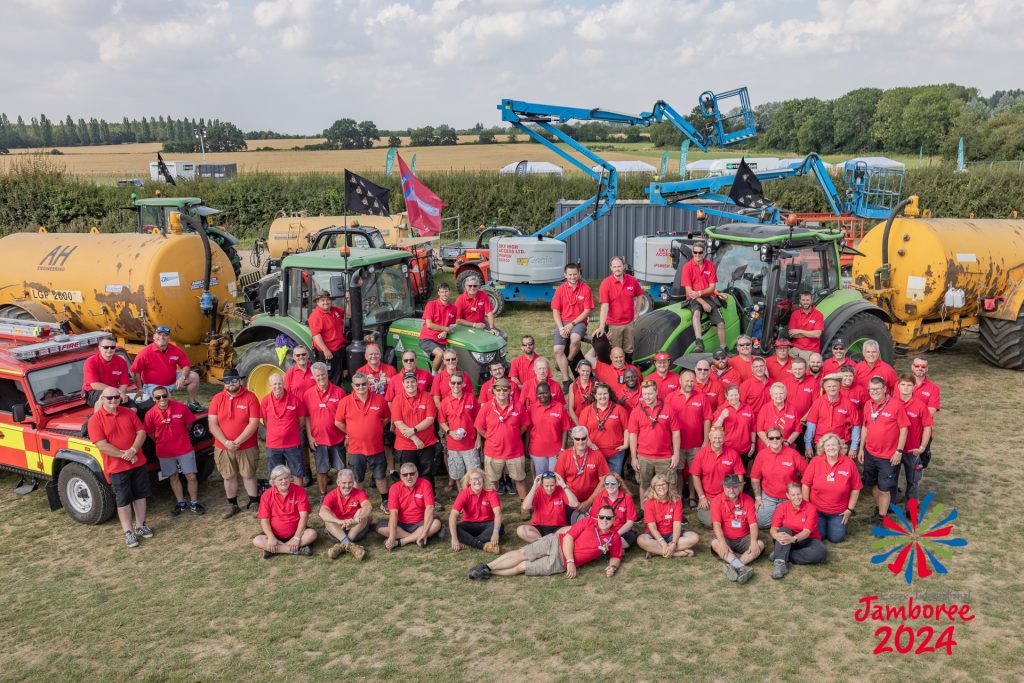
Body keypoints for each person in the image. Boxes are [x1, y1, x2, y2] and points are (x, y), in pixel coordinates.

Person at [469, 506, 622, 580]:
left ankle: (488, 572)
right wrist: (571, 561)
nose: (604, 521)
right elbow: (568, 538)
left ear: (614, 519)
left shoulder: (614, 537)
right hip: (555, 542)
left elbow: (616, 555)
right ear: (598, 516)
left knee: (521, 567)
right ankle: (487, 566)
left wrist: (612, 567)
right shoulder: (588, 522)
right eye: (602, 517)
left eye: (608, 518)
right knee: (522, 553)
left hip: (559, 562)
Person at [89, 388, 151, 547]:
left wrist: (133, 450)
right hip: (117, 468)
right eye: (109, 398)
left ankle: (141, 525)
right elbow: (102, 445)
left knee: (140, 495)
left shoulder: (129, 413)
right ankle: (128, 532)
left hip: (138, 462)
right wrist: (125, 455)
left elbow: (141, 432)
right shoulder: (95, 420)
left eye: (116, 397)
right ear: (102, 399)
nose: (113, 400)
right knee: (123, 500)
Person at [208, 368, 261, 519]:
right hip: (223, 447)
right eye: (227, 381)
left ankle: (254, 502)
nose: (230, 384)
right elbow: (212, 424)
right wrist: (226, 442)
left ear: (239, 380)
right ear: (223, 383)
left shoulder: (250, 397)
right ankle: (232, 504)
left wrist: (237, 441)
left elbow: (254, 423)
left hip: (246, 446)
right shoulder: (217, 399)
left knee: (249, 474)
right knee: (228, 476)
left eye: (233, 380)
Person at [143, 387, 205, 516]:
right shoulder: (150, 414)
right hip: (165, 451)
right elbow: (149, 432)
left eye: (164, 396)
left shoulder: (180, 407)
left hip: (184, 448)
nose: (162, 399)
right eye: (158, 397)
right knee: (173, 477)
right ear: (153, 399)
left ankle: (194, 503)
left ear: (168, 395)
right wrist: (161, 441)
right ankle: (181, 503)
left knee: (191, 476)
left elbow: (189, 424)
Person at [335, 372, 391, 508]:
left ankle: (385, 500)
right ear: (353, 386)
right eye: (357, 385)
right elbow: (338, 422)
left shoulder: (379, 400)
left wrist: (374, 428)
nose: (361, 387)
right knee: (357, 478)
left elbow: (386, 419)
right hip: (356, 448)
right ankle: (356, 503)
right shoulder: (345, 402)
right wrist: (351, 432)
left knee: (380, 476)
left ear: (369, 384)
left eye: (364, 384)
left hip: (376, 447)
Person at [858, 376, 909, 524]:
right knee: (873, 484)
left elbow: (904, 429)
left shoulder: (896, 405)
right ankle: (880, 509)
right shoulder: (868, 404)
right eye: (871, 389)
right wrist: (861, 449)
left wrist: (899, 451)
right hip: (870, 453)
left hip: (888, 456)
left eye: (877, 389)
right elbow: (865, 427)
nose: (874, 392)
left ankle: (882, 518)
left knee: (884, 488)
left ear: (885, 389)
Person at [474, 378, 531, 500]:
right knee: (492, 482)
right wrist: (490, 436)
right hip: (493, 453)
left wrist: (514, 435)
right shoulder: (487, 407)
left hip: (515, 452)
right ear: (493, 391)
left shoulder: (518, 406)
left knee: (520, 480)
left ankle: (524, 506)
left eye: (505, 389)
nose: (502, 392)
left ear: (510, 390)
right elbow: (479, 427)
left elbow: (525, 425)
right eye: (498, 389)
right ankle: (491, 507)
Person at [802, 432, 862, 542]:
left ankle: (835, 524)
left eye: (834, 445)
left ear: (839, 446)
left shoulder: (849, 463)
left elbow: (856, 488)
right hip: (817, 510)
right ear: (823, 448)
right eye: (828, 445)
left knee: (837, 538)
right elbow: (806, 485)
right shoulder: (815, 461)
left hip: (838, 512)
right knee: (819, 537)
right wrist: (807, 508)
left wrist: (849, 509)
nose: (831, 448)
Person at [628, 380, 680, 499]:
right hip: (644, 457)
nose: (647, 397)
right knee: (644, 484)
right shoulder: (636, 411)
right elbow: (633, 435)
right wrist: (634, 457)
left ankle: (671, 511)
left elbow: (676, 433)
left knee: (669, 484)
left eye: (650, 393)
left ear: (656, 392)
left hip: (665, 456)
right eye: (645, 394)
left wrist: (676, 454)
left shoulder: (668, 409)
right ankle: (645, 510)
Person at [302, 363, 347, 499]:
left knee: (341, 470)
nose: (321, 378)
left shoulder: (339, 392)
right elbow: (307, 417)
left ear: (327, 374)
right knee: (321, 470)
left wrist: (347, 435)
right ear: (313, 377)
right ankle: (323, 494)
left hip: (337, 439)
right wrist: (310, 437)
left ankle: (342, 494)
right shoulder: (308, 394)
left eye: (323, 375)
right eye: (318, 376)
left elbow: (346, 416)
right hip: (319, 440)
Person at [666, 369, 712, 502]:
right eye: (687, 380)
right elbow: (666, 421)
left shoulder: (701, 397)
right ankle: (679, 496)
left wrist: (705, 441)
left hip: (696, 444)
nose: (689, 383)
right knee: (678, 471)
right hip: (677, 445)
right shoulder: (671, 398)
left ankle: (692, 496)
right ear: (680, 381)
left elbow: (707, 419)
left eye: (692, 381)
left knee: (694, 472)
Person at [130, 324, 201, 410]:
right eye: (159, 334)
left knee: (194, 376)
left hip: (172, 381)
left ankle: (191, 402)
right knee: (170, 403)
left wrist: (183, 377)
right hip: (153, 385)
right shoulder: (145, 353)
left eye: (165, 335)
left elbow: (186, 365)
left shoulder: (175, 350)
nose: (162, 337)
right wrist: (139, 389)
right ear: (154, 337)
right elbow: (135, 371)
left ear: (169, 338)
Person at [253, 465, 316, 558]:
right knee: (257, 540)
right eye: (280, 479)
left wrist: (297, 537)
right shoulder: (266, 495)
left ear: (290, 478)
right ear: (273, 482)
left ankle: (274, 549)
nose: (284, 481)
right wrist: (271, 537)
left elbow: (304, 516)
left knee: (312, 534)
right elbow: (264, 521)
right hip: (275, 535)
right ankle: (295, 550)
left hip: (297, 532)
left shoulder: (300, 491)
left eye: (286, 478)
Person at [710, 474, 763, 584]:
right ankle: (742, 567)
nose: (731, 490)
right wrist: (722, 542)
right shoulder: (716, 501)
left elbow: (753, 525)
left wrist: (753, 542)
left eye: (734, 487)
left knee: (760, 544)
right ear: (724, 487)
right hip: (726, 538)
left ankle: (735, 565)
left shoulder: (748, 500)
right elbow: (717, 525)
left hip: (744, 538)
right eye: (728, 487)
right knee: (715, 543)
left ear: (740, 487)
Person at [391, 370, 439, 491]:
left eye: (413, 381)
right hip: (406, 445)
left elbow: (430, 419)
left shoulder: (427, 397)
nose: (410, 385)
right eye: (407, 382)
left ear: (417, 382)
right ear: (403, 383)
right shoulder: (397, 399)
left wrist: (414, 429)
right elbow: (398, 422)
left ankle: (429, 499)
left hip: (426, 443)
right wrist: (415, 438)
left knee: (427, 473)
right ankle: (410, 500)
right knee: (409, 474)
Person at [376, 463, 442, 549]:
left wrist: (425, 531)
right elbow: (393, 513)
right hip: (401, 524)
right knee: (380, 527)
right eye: (405, 475)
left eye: (412, 473)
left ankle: (401, 542)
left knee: (436, 524)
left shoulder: (425, 484)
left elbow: (430, 508)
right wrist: (392, 537)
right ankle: (417, 538)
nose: (408, 477)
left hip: (420, 522)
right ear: (400, 476)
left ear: (417, 473)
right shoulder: (394, 488)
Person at [750, 427, 806, 529]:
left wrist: (801, 494)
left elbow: (807, 475)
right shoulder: (762, 455)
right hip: (769, 497)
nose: (774, 440)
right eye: (771, 438)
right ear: (767, 440)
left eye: (777, 437)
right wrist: (758, 498)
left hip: (789, 498)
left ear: (782, 438)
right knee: (760, 523)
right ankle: (782, 519)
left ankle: (782, 519)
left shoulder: (793, 454)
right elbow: (755, 478)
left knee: (796, 525)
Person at [769, 481, 827, 579]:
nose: (797, 497)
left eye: (798, 494)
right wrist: (775, 535)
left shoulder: (810, 508)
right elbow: (774, 528)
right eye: (793, 495)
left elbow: (807, 532)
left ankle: (780, 554)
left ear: (802, 493)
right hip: (787, 538)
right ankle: (780, 564)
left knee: (821, 552)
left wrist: (793, 539)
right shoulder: (782, 507)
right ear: (787, 495)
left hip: (806, 539)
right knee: (783, 530)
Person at [690, 425, 745, 527]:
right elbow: (695, 475)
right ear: (710, 438)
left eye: (720, 438)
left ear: (724, 438)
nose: (717, 440)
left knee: (738, 520)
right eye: (714, 438)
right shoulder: (701, 454)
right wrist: (702, 497)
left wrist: (737, 494)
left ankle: (726, 516)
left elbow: (740, 475)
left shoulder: (732, 454)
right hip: (709, 497)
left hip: (729, 495)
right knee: (710, 522)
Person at [637, 474, 699, 559]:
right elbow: (652, 527)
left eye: (663, 484)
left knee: (694, 537)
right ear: (653, 487)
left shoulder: (676, 500)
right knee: (641, 540)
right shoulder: (648, 502)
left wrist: (673, 543)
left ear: (668, 485)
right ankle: (677, 553)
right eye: (658, 485)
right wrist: (663, 542)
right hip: (655, 535)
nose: (661, 487)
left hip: (672, 533)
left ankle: (656, 551)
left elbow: (677, 525)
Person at [260, 373, 307, 486]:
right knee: (275, 475)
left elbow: (301, 420)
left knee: (297, 473)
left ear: (284, 384)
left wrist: (290, 431)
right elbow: (265, 421)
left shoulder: (295, 400)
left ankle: (298, 498)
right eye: (274, 384)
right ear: (270, 385)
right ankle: (278, 500)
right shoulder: (265, 401)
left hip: (292, 444)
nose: (277, 386)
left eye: (280, 383)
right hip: (273, 446)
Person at [551, 262, 594, 382]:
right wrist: (560, 328)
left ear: (579, 274)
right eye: (570, 275)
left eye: (575, 274)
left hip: (578, 322)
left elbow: (587, 311)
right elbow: (555, 311)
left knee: (575, 338)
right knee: (558, 349)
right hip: (563, 322)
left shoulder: (586, 289)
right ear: (565, 275)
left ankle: (569, 359)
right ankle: (566, 379)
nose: (572, 277)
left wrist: (572, 324)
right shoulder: (560, 290)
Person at [438, 371, 481, 490]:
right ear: (449, 384)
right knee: (458, 474)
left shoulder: (471, 398)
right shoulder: (445, 402)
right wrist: (450, 432)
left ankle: (474, 496)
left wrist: (478, 438)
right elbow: (441, 421)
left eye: (459, 383)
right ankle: (462, 496)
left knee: (473, 473)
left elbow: (478, 419)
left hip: (470, 444)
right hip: (453, 445)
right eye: (453, 383)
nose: (456, 385)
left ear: (463, 384)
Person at [555, 425, 609, 518]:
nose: (581, 442)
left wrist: (588, 502)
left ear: (587, 439)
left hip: (592, 499)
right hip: (570, 499)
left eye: (583, 438)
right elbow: (558, 480)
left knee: (594, 525)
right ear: (572, 440)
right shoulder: (564, 456)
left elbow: (604, 480)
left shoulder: (597, 455)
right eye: (577, 439)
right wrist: (574, 502)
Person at [680, 241, 725, 352]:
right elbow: (689, 292)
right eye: (695, 252)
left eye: (700, 252)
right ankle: (699, 343)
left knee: (721, 323)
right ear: (692, 252)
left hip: (707, 296)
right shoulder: (687, 267)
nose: (697, 255)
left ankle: (724, 348)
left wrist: (700, 293)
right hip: (693, 298)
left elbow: (712, 288)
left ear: (704, 253)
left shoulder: (711, 266)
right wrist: (703, 303)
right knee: (696, 313)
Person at [594, 256, 643, 357]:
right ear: (611, 268)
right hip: (614, 324)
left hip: (629, 323)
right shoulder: (606, 283)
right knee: (616, 352)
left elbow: (640, 295)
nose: (617, 269)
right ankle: (616, 372)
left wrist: (637, 313)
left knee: (629, 349)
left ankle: (628, 371)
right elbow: (604, 306)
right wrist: (601, 327)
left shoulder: (632, 280)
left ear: (624, 266)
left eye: (619, 266)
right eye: (615, 267)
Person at [577, 383, 630, 475]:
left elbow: (627, 428)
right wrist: (589, 443)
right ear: (595, 396)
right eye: (600, 394)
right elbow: (582, 430)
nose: (603, 396)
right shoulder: (586, 411)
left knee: (613, 480)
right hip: (594, 452)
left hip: (615, 453)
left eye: (605, 394)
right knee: (596, 482)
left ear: (609, 394)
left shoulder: (619, 409)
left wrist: (626, 444)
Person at [896, 374, 933, 503]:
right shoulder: (891, 403)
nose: (906, 388)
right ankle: (889, 505)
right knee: (891, 480)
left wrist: (922, 447)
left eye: (909, 385)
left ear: (914, 387)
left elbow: (927, 427)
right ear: (898, 386)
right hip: (894, 450)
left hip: (912, 451)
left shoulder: (920, 406)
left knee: (913, 481)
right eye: (903, 384)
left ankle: (910, 508)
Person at [804, 373, 860, 458]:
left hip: (841, 444)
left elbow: (856, 425)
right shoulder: (818, 402)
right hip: (821, 443)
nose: (832, 389)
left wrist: (853, 447)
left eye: (834, 386)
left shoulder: (848, 404)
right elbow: (811, 425)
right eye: (829, 386)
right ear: (825, 388)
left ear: (839, 386)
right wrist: (808, 446)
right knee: (821, 469)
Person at [320, 469, 371, 561]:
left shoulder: (359, 493)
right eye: (344, 483)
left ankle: (342, 545)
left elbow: (368, 507)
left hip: (355, 528)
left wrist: (356, 520)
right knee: (328, 517)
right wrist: (339, 521)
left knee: (362, 512)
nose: (347, 486)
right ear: (338, 483)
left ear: (353, 482)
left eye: (350, 483)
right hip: (338, 530)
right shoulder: (331, 495)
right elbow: (322, 512)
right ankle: (351, 546)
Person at [449, 468, 503, 554]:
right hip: (469, 524)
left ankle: (468, 543)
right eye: (474, 479)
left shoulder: (491, 492)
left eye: (479, 478)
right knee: (455, 528)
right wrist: (454, 538)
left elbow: (498, 512)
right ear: (469, 481)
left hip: (487, 523)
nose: (477, 481)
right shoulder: (464, 493)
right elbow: (453, 515)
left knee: (500, 527)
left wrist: (496, 532)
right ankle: (483, 546)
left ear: (483, 479)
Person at [518, 472, 578, 543]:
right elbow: (525, 506)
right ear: (542, 484)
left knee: (575, 529)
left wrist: (564, 485)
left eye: (552, 485)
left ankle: (542, 543)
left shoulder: (561, 489)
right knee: (521, 530)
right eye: (546, 486)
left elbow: (575, 504)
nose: (549, 489)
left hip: (558, 528)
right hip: (538, 528)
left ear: (556, 483)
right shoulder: (537, 490)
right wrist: (534, 487)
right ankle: (548, 543)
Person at [526, 382, 571, 476]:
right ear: (536, 394)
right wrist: (526, 447)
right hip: (537, 450)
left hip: (556, 451)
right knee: (541, 477)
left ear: (550, 393)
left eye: (545, 393)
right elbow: (528, 431)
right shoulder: (532, 409)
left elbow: (565, 430)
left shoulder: (559, 407)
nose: (542, 395)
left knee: (555, 477)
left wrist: (563, 449)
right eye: (540, 393)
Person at [910, 356, 940, 488]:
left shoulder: (933, 388)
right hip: (904, 430)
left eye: (923, 367)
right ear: (912, 367)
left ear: (927, 369)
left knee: (919, 464)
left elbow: (931, 411)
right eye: (917, 366)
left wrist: (910, 414)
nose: (920, 369)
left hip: (922, 433)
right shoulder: (903, 384)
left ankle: (913, 491)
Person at [588, 472, 638, 548]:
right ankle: (610, 545)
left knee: (630, 536)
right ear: (604, 485)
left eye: (613, 483)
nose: (610, 486)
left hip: (620, 531)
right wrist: (602, 532)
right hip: (603, 529)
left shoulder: (627, 498)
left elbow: (630, 523)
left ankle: (605, 545)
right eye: (607, 483)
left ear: (618, 484)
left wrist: (615, 534)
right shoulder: (599, 496)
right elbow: (594, 519)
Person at [308, 291, 347, 386]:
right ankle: (332, 398)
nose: (326, 302)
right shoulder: (316, 316)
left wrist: (349, 301)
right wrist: (325, 350)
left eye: (328, 300)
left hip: (340, 348)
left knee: (341, 374)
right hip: (329, 352)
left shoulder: (334, 310)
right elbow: (316, 335)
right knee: (332, 377)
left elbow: (348, 314)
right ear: (317, 302)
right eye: (322, 300)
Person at [82, 335, 130, 407]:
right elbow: (95, 385)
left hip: (115, 392)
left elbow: (124, 384)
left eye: (112, 347)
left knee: (133, 408)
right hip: (94, 391)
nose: (109, 349)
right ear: (99, 348)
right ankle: (98, 418)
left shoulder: (121, 362)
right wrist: (118, 392)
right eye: (106, 347)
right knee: (106, 401)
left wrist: (122, 394)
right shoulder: (90, 362)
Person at [713, 385, 756, 464]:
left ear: (739, 394)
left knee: (742, 474)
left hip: (745, 450)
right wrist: (721, 418)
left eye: (736, 395)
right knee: (729, 475)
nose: (734, 398)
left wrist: (753, 444)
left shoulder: (747, 408)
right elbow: (714, 429)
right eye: (731, 395)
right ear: (726, 396)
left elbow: (753, 428)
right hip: (727, 449)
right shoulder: (721, 409)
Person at [420, 283, 457, 373]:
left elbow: (451, 326)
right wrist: (445, 329)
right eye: (442, 292)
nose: (444, 294)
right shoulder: (431, 304)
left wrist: (446, 332)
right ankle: (433, 376)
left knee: (445, 365)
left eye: (446, 291)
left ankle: (440, 382)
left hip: (442, 341)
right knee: (440, 354)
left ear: (450, 292)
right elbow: (429, 324)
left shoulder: (453, 309)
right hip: (427, 339)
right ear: (438, 293)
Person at [755, 382, 800, 448]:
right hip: (766, 447)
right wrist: (769, 444)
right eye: (776, 394)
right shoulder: (764, 409)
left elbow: (797, 430)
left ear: (785, 395)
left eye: (781, 393)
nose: (778, 396)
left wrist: (788, 443)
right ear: (772, 396)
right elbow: (759, 430)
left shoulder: (793, 409)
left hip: (786, 446)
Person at [787, 291, 824, 362]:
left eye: (807, 300)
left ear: (811, 300)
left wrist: (799, 331)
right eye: (803, 300)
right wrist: (810, 333)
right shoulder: (795, 314)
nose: (805, 302)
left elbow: (817, 334)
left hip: (810, 350)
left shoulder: (818, 315)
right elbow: (791, 334)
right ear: (800, 301)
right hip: (796, 348)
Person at [783, 356, 818, 421]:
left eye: (800, 369)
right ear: (791, 369)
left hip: (806, 421)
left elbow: (816, 404)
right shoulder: (785, 382)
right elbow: (780, 403)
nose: (798, 372)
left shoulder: (813, 382)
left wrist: (804, 418)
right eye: (795, 369)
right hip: (787, 419)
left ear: (806, 369)